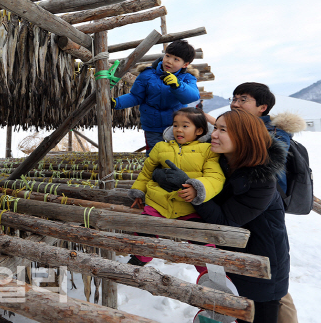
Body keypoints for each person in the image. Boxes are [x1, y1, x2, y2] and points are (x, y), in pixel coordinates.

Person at [205, 83, 305, 322]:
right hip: (241, 249)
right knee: (248, 307)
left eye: (243, 100)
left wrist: (197, 193)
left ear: (262, 108)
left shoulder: (262, 172)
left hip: (262, 251)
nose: (235, 103)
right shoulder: (221, 162)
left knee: (271, 303)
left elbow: (227, 218)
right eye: (234, 98)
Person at [193, 109, 290, 323]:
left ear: (244, 136)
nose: (214, 134)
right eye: (215, 127)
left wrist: (196, 192)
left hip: (261, 265)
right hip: (230, 259)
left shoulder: (262, 178)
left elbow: (225, 223)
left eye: (222, 130)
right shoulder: (217, 162)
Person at [127, 107, 225, 266]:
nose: (179, 129)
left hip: (188, 207)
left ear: (199, 130)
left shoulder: (208, 151)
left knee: (201, 238)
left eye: (185, 126)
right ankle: (141, 257)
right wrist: (139, 192)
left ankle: (208, 271)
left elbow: (215, 177)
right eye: (175, 125)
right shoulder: (160, 147)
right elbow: (146, 172)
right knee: (144, 228)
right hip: (158, 203)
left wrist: (197, 188)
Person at [111, 40, 199, 154]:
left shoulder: (187, 78)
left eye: (176, 59)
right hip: (152, 126)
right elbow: (136, 96)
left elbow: (192, 96)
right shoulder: (147, 74)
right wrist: (117, 103)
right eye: (168, 56)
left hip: (176, 128)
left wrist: (178, 85)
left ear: (185, 64)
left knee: (177, 156)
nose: (169, 61)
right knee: (154, 156)